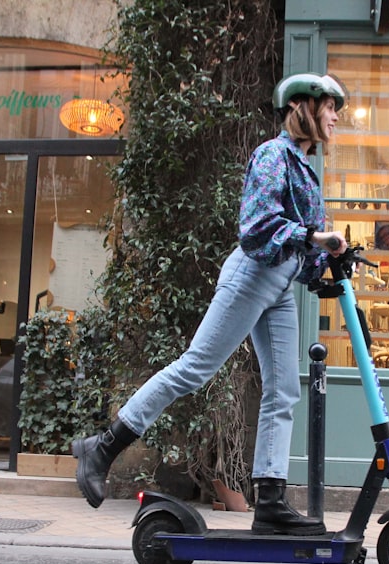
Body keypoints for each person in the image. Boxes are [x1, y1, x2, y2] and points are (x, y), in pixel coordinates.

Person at [72, 72, 348, 536]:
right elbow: (257, 227)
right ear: (304, 106)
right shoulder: (272, 155)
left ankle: (271, 499)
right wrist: (314, 236)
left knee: (284, 389)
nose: (337, 117)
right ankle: (102, 446)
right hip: (252, 273)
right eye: (331, 107)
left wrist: (330, 260)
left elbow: (303, 253)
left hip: (279, 284)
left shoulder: (305, 169)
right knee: (196, 366)